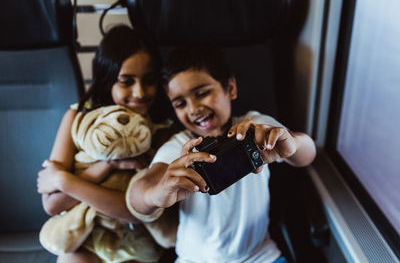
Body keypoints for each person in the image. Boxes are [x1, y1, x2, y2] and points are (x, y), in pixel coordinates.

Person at [126, 45, 317, 263]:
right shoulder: (180, 147)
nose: (193, 109)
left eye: (202, 93)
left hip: (260, 257)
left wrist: (292, 145)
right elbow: (138, 194)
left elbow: (307, 154)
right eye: (180, 103)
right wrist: (158, 192)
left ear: (231, 88)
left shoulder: (256, 126)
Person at [37, 25, 175, 263]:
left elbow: (135, 212)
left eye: (149, 80)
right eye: (126, 81)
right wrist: (106, 166)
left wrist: (66, 182)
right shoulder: (77, 120)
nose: (139, 92)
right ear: (108, 79)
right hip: (85, 239)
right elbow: (52, 203)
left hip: (136, 245)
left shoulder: (162, 131)